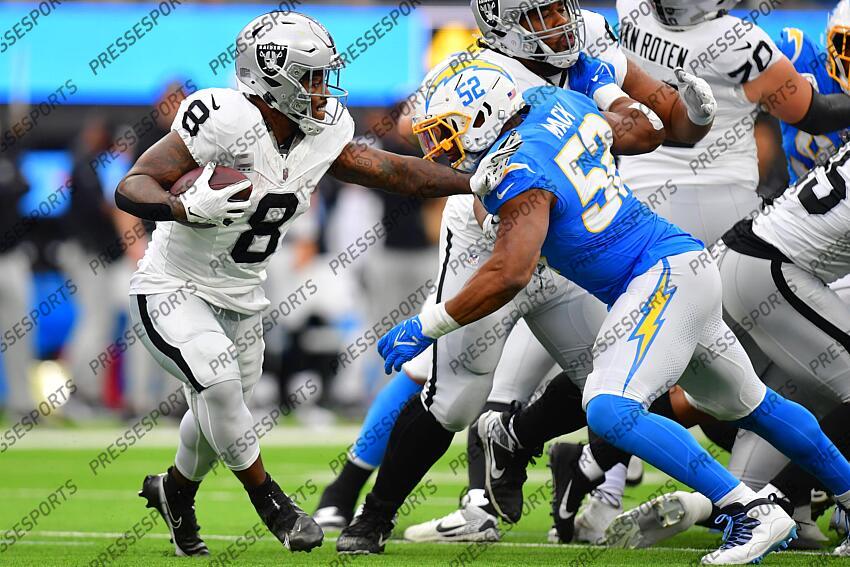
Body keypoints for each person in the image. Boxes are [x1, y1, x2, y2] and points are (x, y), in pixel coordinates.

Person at [367, 64, 850, 565]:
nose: (442, 147)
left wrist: (429, 324)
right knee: (754, 405)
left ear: (486, 119)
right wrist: (689, 116)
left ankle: (747, 510)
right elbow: (640, 130)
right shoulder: (559, 105)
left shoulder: (517, 169)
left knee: (609, 407)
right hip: (685, 264)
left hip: (658, 278)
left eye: (448, 132)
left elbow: (511, 272)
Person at [316, 0, 718, 540]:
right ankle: (372, 515)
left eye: (558, 10)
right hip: (491, 241)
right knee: (453, 398)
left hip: (571, 245)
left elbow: (661, 130)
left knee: (610, 381)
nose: (557, 24)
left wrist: (692, 114)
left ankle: (522, 442)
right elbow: (446, 176)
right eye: (538, 16)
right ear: (502, 24)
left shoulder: (587, 42)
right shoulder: (473, 74)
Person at [116, 11, 472, 557]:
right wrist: (180, 206)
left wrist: (480, 179)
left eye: (322, 76)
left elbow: (395, 172)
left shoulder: (323, 131)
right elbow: (132, 184)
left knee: (213, 414)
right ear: (269, 77)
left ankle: (176, 492)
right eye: (309, 78)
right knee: (215, 382)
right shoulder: (221, 118)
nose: (321, 91)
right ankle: (272, 504)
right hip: (174, 285)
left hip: (242, 294)